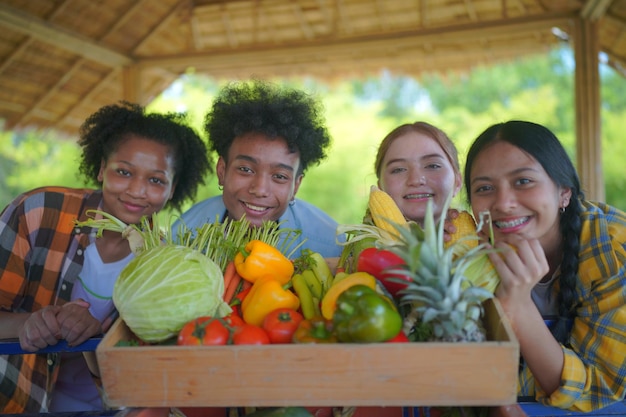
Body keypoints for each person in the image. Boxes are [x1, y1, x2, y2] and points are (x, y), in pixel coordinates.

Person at [0, 101, 212, 413]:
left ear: (172, 188)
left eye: (155, 180)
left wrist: (96, 336)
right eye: (124, 172)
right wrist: (29, 324)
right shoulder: (37, 211)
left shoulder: (164, 262)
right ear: (102, 169)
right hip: (16, 398)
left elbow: (141, 374)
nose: (137, 191)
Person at [464, 120, 626, 411]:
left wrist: (517, 303)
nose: (503, 203)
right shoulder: (472, 255)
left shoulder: (614, 249)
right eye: (485, 188)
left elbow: (601, 388)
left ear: (564, 192)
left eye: (523, 181)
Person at [174, 79, 343, 259]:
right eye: (246, 170)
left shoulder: (331, 247)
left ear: (295, 186)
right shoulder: (182, 236)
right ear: (222, 171)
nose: (260, 190)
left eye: (279, 176)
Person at [374, 121, 462, 224]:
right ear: (380, 188)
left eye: (432, 166)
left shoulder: (483, 238)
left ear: (457, 182)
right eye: (398, 170)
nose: (415, 180)